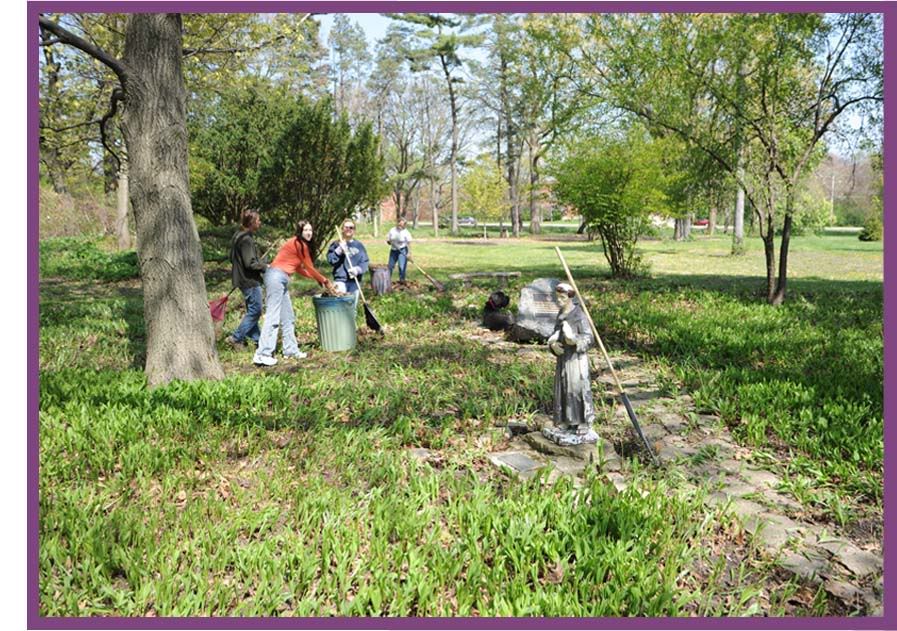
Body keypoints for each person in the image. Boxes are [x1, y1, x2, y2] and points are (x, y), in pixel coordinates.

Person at [253, 221, 334, 367]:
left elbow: (300, 269)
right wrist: (324, 280)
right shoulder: (299, 244)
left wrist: (317, 278)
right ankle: (262, 354)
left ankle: (290, 349)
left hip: (281, 278)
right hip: (276, 277)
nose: (309, 233)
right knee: (273, 315)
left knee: (288, 316)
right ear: (300, 231)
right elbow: (310, 267)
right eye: (306, 230)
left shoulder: (297, 244)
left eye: (310, 230)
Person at [543, 282, 599, 446]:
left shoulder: (579, 315)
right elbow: (555, 335)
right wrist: (553, 345)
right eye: (557, 297)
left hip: (576, 359)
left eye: (562, 298)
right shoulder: (561, 314)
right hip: (563, 358)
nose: (558, 301)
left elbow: (589, 337)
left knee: (576, 388)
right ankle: (566, 420)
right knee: (564, 388)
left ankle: (582, 421)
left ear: (570, 298)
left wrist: (574, 340)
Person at [227, 210, 266, 350]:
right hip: (249, 280)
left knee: (252, 309)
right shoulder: (246, 240)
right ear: (251, 222)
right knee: (256, 310)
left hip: (242, 280)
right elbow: (250, 263)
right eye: (258, 220)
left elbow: (232, 258)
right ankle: (236, 337)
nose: (260, 223)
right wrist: (265, 266)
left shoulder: (237, 236)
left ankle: (258, 341)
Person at [326, 219, 369, 304]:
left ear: (354, 230)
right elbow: (331, 260)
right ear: (342, 229)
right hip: (340, 281)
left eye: (351, 227)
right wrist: (338, 251)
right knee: (340, 306)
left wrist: (358, 270)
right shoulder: (336, 244)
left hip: (354, 282)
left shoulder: (359, 245)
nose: (348, 229)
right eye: (346, 227)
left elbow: (365, 262)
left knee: (352, 307)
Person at [386, 217, 412, 283]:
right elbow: (388, 240)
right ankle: (387, 281)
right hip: (393, 250)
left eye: (402, 225)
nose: (400, 226)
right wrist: (389, 242)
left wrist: (409, 253)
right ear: (397, 223)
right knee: (390, 266)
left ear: (404, 225)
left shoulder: (406, 232)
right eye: (399, 224)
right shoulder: (392, 230)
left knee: (401, 266)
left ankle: (402, 281)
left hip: (402, 250)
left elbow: (409, 243)